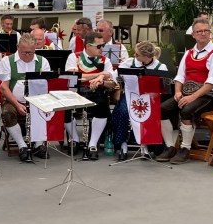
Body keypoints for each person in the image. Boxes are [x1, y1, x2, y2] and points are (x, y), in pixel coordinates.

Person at [156, 18, 213, 163]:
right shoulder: (188, 53)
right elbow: (180, 76)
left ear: (210, 33)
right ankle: (170, 147)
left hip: (207, 96)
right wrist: (177, 92)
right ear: (193, 35)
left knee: (186, 110)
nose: (203, 34)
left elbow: (212, 83)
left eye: (206, 31)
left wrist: (191, 97)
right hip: (186, 94)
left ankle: (185, 149)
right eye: (199, 31)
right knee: (162, 109)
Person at [110, 41, 168, 160]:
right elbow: (114, 76)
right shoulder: (129, 63)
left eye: (137, 54)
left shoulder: (160, 67)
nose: (134, 56)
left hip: (149, 99)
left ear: (147, 56)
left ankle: (146, 144)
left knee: (150, 115)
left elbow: (163, 87)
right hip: (130, 96)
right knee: (123, 112)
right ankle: (123, 145)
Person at [64, 31, 116, 160]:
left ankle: (93, 143)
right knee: (64, 108)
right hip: (76, 92)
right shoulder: (74, 57)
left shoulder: (105, 60)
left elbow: (112, 82)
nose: (102, 48)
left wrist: (101, 81)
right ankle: (75, 139)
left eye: (103, 45)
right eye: (98, 46)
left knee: (103, 106)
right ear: (88, 46)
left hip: (96, 92)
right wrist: (100, 74)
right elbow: (72, 77)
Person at [2, 32, 51, 162]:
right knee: (7, 113)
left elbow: (46, 86)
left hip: (37, 100)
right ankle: (22, 146)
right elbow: (4, 87)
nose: (27, 56)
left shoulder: (43, 61)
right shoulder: (7, 61)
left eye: (31, 52)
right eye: (24, 53)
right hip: (14, 101)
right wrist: (17, 104)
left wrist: (38, 103)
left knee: (46, 110)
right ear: (18, 47)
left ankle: (39, 144)